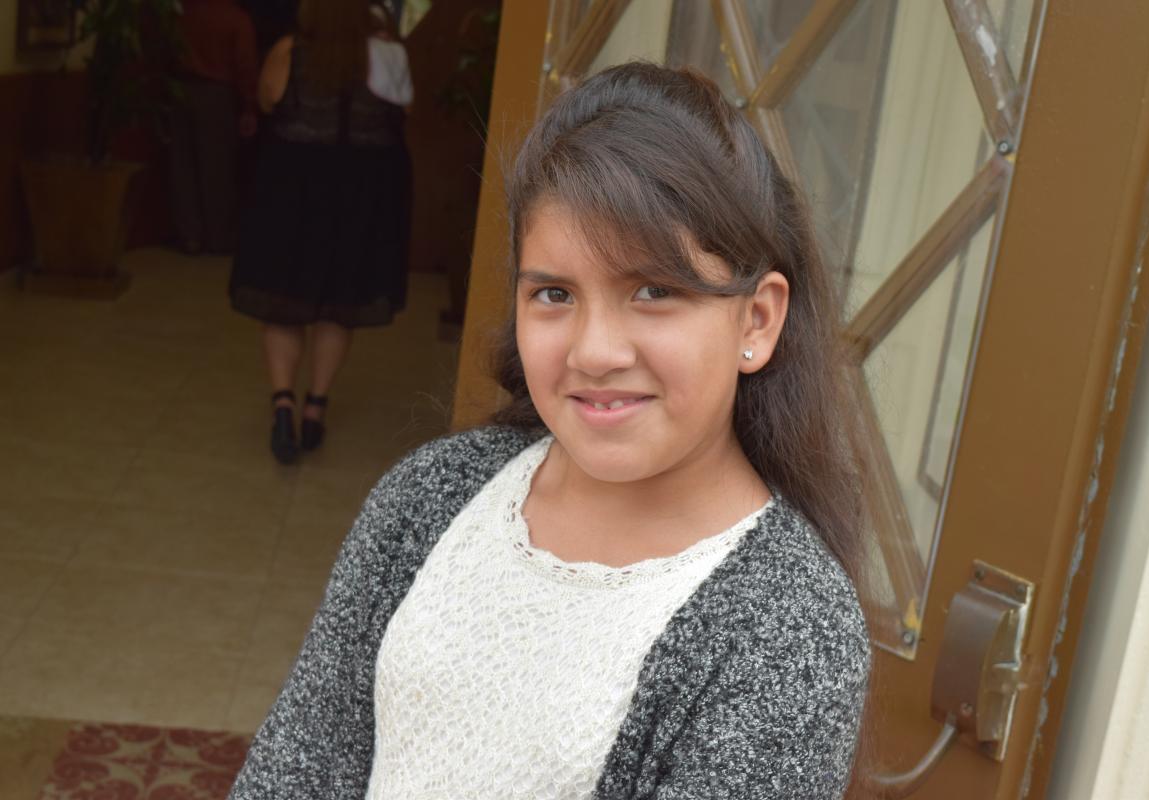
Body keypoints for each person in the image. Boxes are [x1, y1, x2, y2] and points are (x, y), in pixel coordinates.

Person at [230, 63, 871, 798]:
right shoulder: (430, 498)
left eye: (654, 290)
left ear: (756, 320)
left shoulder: (788, 629)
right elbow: (292, 771)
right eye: (555, 294)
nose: (594, 352)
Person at [229, 0, 414, 464]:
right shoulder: (387, 55)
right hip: (360, 200)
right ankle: (316, 405)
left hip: (291, 196)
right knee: (339, 305)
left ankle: (283, 403)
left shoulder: (288, 51)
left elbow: (268, 100)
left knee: (283, 301)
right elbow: (403, 111)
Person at [170, 0, 259, 255]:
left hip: (180, 89)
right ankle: (218, 236)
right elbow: (245, 64)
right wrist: (249, 106)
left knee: (182, 166)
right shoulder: (235, 18)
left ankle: (190, 235)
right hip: (217, 93)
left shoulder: (184, 13)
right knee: (217, 168)